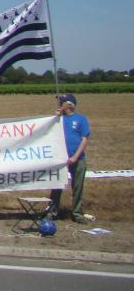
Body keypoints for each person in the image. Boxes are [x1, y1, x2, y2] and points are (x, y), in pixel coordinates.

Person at [49, 93, 93, 223]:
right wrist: (55, 117)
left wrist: (75, 157)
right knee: (57, 186)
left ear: (69, 105)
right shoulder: (59, 119)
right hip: (61, 159)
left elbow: (84, 139)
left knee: (77, 186)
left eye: (61, 102)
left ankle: (77, 213)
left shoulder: (81, 119)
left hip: (78, 159)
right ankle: (52, 211)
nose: (59, 104)